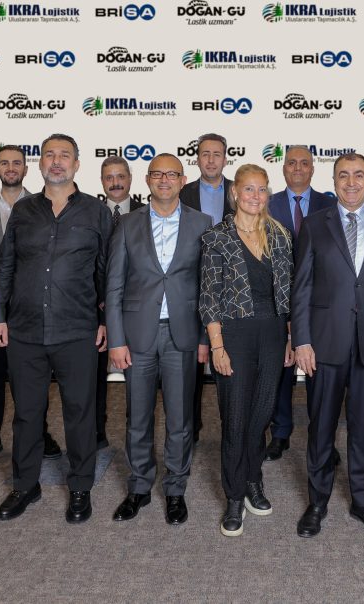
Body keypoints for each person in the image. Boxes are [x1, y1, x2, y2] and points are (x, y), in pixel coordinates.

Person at [0, 134, 112, 524]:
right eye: (49, 155)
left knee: (80, 412)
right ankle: (25, 485)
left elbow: (108, 272)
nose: (56, 162)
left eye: (64, 156)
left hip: (77, 329)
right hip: (25, 330)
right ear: (40, 163)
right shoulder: (24, 210)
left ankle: (80, 486)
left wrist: (107, 321)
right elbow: (5, 265)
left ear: (77, 164)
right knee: (27, 413)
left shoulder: (96, 212)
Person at [292, 153, 364, 539]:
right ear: (334, 181)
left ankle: (362, 501)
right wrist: (301, 339)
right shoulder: (315, 224)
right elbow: (301, 287)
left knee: (363, 427)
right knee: (321, 426)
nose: (351, 182)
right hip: (324, 343)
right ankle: (317, 501)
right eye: (343, 175)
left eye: (359, 175)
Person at [106, 154, 212, 525]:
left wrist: (205, 337)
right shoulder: (127, 224)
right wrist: (116, 339)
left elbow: (208, 287)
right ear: (147, 180)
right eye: (157, 174)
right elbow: (114, 285)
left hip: (183, 334)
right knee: (137, 417)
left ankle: (176, 489)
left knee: (180, 419)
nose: (164, 180)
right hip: (137, 336)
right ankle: (138, 486)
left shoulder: (202, 223)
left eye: (172, 174)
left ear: (183, 180)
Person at [199, 164, 293, 537]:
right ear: (235, 193)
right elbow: (209, 296)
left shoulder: (280, 235)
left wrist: (289, 338)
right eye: (248, 189)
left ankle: (253, 479)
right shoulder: (216, 237)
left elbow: (288, 293)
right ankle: (235, 496)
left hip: (272, 335)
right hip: (233, 336)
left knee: (261, 416)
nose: (255, 196)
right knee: (236, 419)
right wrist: (217, 345)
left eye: (262, 189)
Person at [0, 146, 61, 465]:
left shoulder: (43, 204)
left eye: (16, 163)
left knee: (32, 378)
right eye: (4, 163)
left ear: (26, 168)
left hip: (30, 304)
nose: (10, 168)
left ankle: (39, 433)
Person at [265, 145, 336, 461]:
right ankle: (280, 432)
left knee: (319, 373)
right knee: (281, 371)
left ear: (312, 168)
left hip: (320, 303)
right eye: (291, 162)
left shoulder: (329, 204)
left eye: (304, 163)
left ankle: (322, 437)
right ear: (283, 168)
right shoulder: (267, 204)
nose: (297, 168)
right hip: (276, 301)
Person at [179, 133, 236, 443]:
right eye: (205, 154)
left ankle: (233, 429)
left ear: (225, 158)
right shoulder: (182, 193)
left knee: (231, 362)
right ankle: (191, 429)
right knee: (191, 365)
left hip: (232, 291)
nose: (211, 160)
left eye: (217, 154)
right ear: (197, 158)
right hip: (189, 287)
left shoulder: (240, 191)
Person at [96, 155, 139, 447]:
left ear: (130, 179)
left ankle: (135, 434)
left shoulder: (147, 212)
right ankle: (97, 433)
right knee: (94, 378)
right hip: (96, 310)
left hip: (136, 309)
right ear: (102, 181)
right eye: (109, 177)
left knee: (138, 381)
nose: (115, 183)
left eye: (120, 176)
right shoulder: (90, 213)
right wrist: (100, 302)